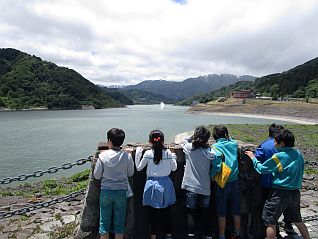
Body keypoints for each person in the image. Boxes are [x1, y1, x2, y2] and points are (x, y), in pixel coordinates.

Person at [245, 129, 310, 239]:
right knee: (297, 220)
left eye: (275, 142)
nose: (273, 144)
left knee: (270, 221)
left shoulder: (279, 157)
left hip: (279, 193)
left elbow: (262, 169)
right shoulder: (298, 154)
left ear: (282, 143)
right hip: (294, 192)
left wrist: (253, 157)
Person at [254, 123, 295, 238]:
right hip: (287, 183)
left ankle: (272, 232)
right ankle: (288, 225)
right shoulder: (288, 148)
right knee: (286, 206)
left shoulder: (265, 145)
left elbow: (258, 159)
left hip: (268, 183)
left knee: (270, 212)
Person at [135, 130, 177, 239]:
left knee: (152, 212)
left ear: (150, 141)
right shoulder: (168, 153)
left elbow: (139, 168)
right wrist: (173, 156)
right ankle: (168, 233)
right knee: (166, 211)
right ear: (163, 141)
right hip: (166, 184)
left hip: (151, 184)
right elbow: (174, 168)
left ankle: (153, 234)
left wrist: (138, 153)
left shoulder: (148, 153)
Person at [93, 128, 134, 239]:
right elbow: (130, 173)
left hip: (106, 191)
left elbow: (96, 175)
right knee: (119, 224)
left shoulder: (103, 156)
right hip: (121, 192)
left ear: (109, 141)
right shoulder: (127, 156)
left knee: (104, 223)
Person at [180, 126, 216, 239]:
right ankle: (208, 235)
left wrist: (192, 136)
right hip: (205, 187)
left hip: (191, 187)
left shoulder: (190, 148)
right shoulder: (210, 151)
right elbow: (214, 153)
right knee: (205, 214)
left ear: (196, 137)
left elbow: (183, 141)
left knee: (191, 213)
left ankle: (191, 235)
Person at [210, 125, 240, 239]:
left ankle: (222, 235)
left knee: (221, 211)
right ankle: (237, 233)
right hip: (235, 181)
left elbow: (217, 166)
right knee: (236, 210)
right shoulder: (234, 144)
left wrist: (211, 176)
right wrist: (228, 137)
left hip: (222, 182)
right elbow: (232, 139)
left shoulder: (215, 147)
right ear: (226, 135)